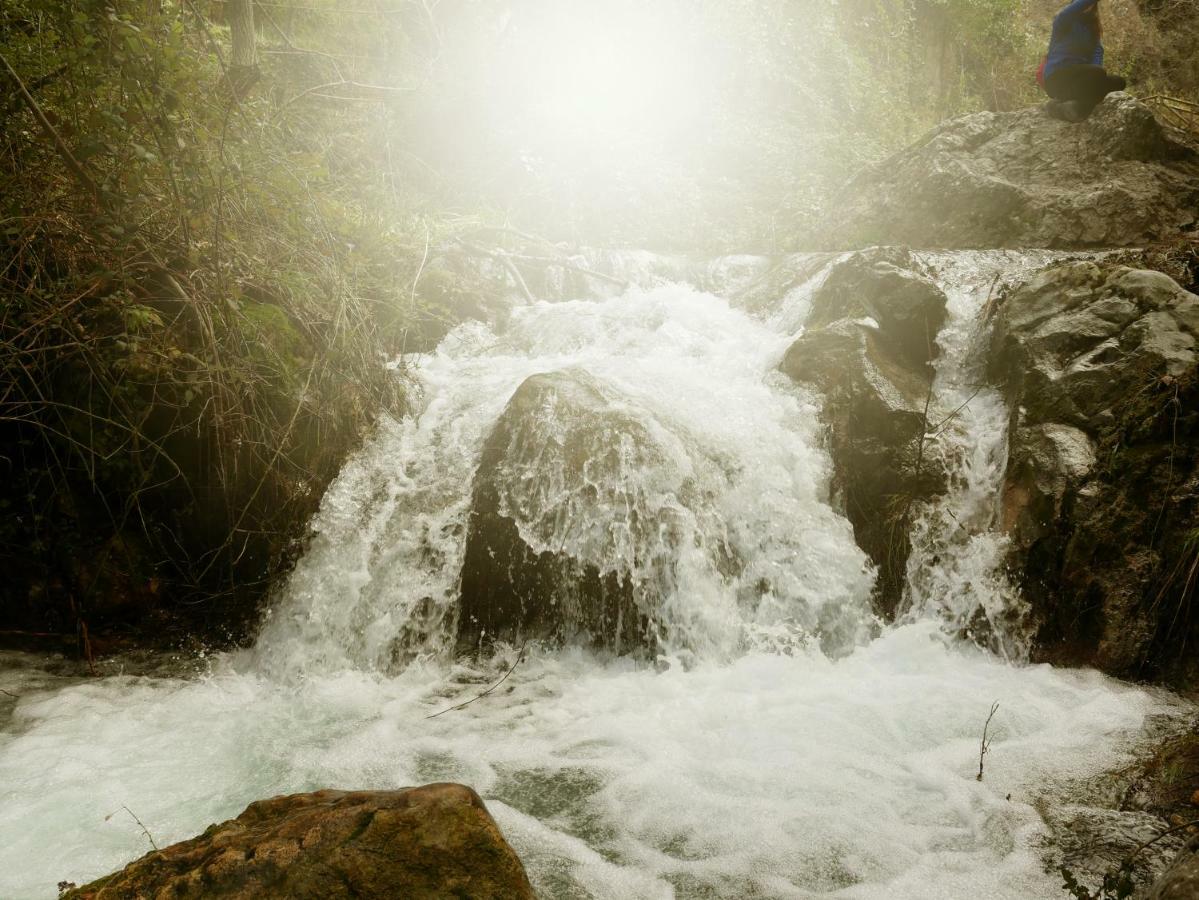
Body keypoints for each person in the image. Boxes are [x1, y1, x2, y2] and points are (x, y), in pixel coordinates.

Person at [1039, 0, 1126, 122]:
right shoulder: (1063, 20)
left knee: (1118, 82)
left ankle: (1075, 108)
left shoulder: (1092, 29)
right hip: (1057, 76)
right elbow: (1070, 11)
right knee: (1097, 74)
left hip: (1080, 79)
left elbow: (1098, 53)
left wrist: (1097, 81)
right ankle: (1058, 102)